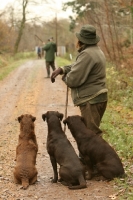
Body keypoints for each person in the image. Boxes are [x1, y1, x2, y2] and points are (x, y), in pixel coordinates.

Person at [51, 24, 108, 136]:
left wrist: (65, 77)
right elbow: (78, 65)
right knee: (92, 134)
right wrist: (62, 69)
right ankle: (89, 154)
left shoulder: (87, 54)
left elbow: (73, 80)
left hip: (91, 100)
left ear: (81, 40)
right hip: (98, 97)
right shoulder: (96, 51)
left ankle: (93, 154)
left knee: (91, 136)